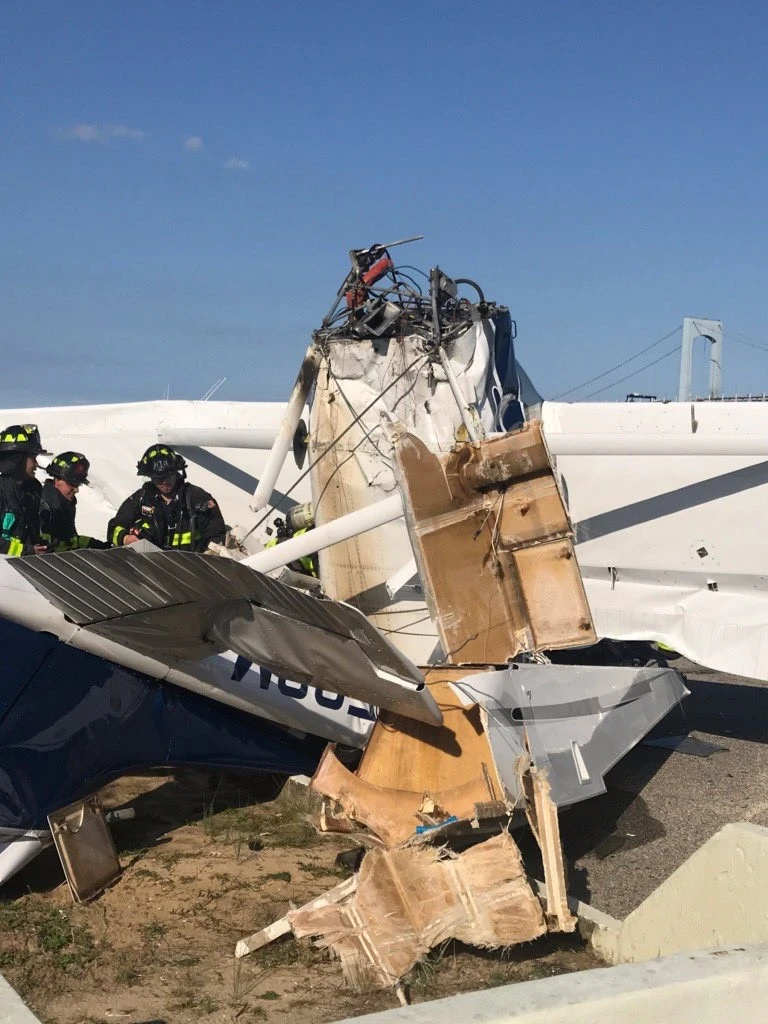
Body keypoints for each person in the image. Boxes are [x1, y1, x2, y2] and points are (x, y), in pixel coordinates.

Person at [108, 445, 226, 552]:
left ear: (177, 472)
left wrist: (209, 554)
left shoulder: (198, 498)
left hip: (191, 566)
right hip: (150, 566)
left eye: (168, 476)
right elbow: (114, 527)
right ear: (150, 477)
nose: (164, 482)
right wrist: (125, 538)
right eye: (158, 478)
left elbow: (216, 533)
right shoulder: (141, 498)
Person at [39, 452, 110, 551]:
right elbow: (44, 549)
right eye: (72, 483)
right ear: (57, 480)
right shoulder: (42, 508)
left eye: (78, 484)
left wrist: (98, 546)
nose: (76, 490)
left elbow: (70, 541)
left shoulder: (64, 506)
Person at [0, 424, 50, 556]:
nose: (36, 464)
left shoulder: (33, 490)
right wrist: (25, 551)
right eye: (32, 457)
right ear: (17, 459)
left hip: (26, 568)